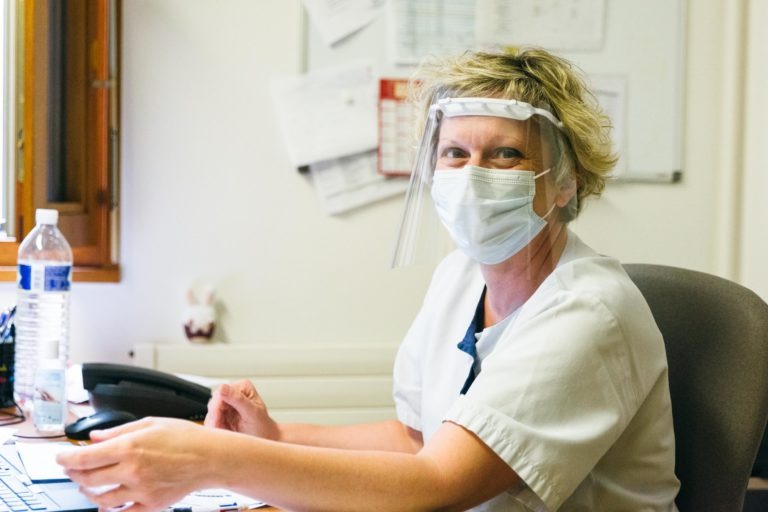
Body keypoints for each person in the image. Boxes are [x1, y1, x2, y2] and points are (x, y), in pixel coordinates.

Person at [57, 48, 680, 512]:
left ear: (566, 181)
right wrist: (277, 438)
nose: (472, 174)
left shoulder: (588, 314)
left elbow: (438, 485)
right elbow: (415, 439)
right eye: (455, 153)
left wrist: (210, 461)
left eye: (507, 154)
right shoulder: (462, 276)